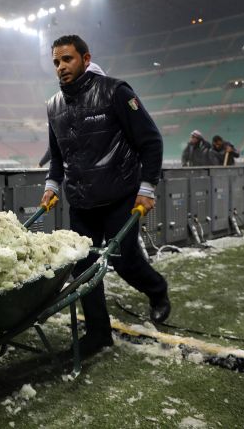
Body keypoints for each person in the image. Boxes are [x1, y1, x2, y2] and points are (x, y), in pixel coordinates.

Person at [40, 35, 170, 358]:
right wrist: (52, 186)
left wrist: (147, 188)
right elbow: (57, 156)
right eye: (56, 62)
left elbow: (151, 141)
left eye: (67, 59)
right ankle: (99, 333)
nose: (61, 67)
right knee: (83, 269)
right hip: (81, 202)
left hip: (119, 196)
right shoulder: (53, 105)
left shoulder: (115, 92)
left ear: (85, 59)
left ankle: (158, 291)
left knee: (124, 261)